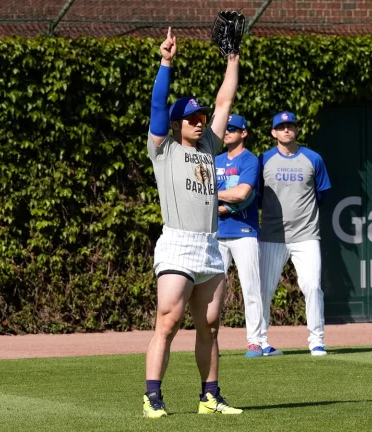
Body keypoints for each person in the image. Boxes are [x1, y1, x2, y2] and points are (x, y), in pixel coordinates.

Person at [142, 27, 243, 418]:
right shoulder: (163, 149)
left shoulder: (208, 148)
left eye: (201, 117)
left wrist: (232, 60)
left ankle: (210, 397)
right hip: (178, 243)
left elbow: (225, 99)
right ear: (176, 123)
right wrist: (166, 61)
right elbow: (157, 105)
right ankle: (152, 398)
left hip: (209, 245)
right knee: (167, 322)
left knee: (212, 325)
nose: (200, 121)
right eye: (191, 118)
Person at [257, 111, 332, 357]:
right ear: (273, 132)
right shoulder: (264, 160)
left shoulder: (313, 159)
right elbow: (256, 196)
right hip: (272, 236)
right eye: (281, 126)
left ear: (297, 130)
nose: (286, 130)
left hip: (306, 235)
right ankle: (259, 341)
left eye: (290, 126)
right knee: (265, 289)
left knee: (312, 287)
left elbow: (322, 194)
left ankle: (317, 340)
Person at [215, 114, 265, 358]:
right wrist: (225, 195)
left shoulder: (250, 160)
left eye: (233, 129)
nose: (227, 132)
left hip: (244, 232)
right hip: (217, 233)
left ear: (243, 133)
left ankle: (255, 342)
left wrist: (216, 196)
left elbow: (242, 194)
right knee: (211, 292)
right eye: (226, 128)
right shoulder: (215, 160)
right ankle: (209, 340)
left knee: (251, 288)